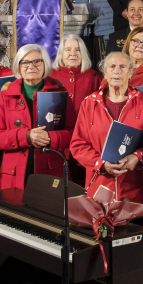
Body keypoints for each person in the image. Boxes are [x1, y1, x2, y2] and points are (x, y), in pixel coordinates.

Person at [69, 52, 143, 204]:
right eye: (112, 67)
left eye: (122, 67)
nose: (117, 71)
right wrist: (100, 163)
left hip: (134, 190)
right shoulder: (89, 104)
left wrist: (138, 157)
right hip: (98, 189)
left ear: (131, 72)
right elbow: (78, 145)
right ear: (105, 73)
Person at [0, 44, 73, 190]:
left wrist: (51, 138)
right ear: (18, 67)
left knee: (49, 212)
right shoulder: (4, 96)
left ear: (44, 64)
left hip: (50, 169)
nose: (31, 66)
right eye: (25, 62)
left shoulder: (60, 93)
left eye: (37, 61)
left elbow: (73, 132)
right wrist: (26, 136)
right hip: (14, 173)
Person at [50, 34, 105, 183]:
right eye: (68, 49)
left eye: (77, 50)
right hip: (58, 141)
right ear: (61, 54)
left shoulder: (94, 76)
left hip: (86, 140)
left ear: (83, 54)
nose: (73, 54)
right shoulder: (50, 76)